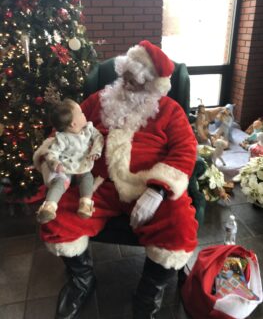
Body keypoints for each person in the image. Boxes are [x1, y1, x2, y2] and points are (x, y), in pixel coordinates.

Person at [34, 40, 198, 319]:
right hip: (96, 184)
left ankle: (149, 291)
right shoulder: (99, 99)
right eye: (125, 75)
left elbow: (185, 150)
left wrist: (158, 190)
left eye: (136, 79)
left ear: (153, 85)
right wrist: (53, 163)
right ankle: (82, 281)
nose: (127, 84)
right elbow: (60, 131)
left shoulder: (171, 111)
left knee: (180, 225)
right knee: (57, 215)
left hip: (147, 186)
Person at [33, 98, 104, 224]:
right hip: (65, 167)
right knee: (59, 182)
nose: (84, 114)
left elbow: (99, 138)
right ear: (73, 124)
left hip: (82, 164)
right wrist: (55, 163)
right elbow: (51, 153)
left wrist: (95, 151)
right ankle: (49, 206)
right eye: (81, 113)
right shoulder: (61, 139)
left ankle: (85, 203)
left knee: (87, 177)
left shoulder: (88, 129)